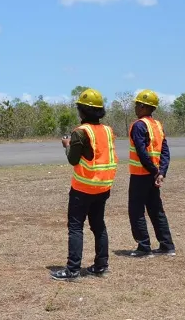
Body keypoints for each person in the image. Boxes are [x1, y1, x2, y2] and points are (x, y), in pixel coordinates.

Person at [51, 88, 118, 281]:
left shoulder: (80, 133)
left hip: (83, 188)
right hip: (103, 186)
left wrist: (67, 145)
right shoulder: (108, 130)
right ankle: (101, 265)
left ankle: (72, 269)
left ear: (82, 110)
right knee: (98, 225)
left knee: (75, 227)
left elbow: (73, 160)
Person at [127, 89, 176, 257]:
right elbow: (165, 152)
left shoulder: (139, 125)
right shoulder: (157, 125)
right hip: (153, 175)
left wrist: (155, 172)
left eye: (136, 104)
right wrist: (161, 172)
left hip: (141, 175)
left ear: (142, 106)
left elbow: (142, 153)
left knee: (136, 210)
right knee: (156, 210)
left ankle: (144, 247)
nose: (135, 107)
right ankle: (167, 245)